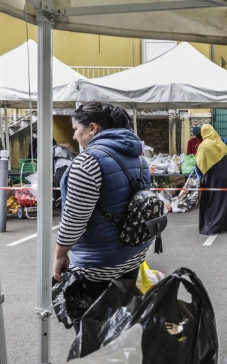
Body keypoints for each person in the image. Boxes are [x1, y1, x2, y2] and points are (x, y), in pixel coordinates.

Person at [53, 101, 152, 301]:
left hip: (97, 264)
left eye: (76, 129)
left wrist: (60, 254)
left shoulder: (88, 162)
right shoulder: (138, 158)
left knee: (94, 328)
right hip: (134, 255)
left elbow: (74, 220)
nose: (73, 136)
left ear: (92, 128)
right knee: (121, 321)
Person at [195, 124, 227, 235]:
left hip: (213, 177)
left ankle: (211, 226)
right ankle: (222, 225)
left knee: (210, 200)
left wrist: (200, 176)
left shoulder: (204, 145)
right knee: (223, 200)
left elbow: (200, 163)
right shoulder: (222, 144)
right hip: (226, 176)